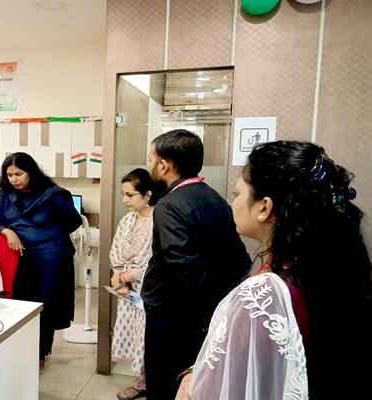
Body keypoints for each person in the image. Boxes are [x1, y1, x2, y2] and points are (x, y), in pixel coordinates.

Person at [176, 141, 372, 400]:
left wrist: (193, 378)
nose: (233, 203)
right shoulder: (332, 267)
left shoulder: (263, 294)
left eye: (237, 194)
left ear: (264, 207)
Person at [143, 129, 251, 398]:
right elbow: (238, 259)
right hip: (209, 312)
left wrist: (205, 315)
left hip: (174, 316)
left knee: (165, 381)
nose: (150, 165)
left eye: (151, 159)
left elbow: (182, 266)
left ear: (164, 165)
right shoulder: (214, 197)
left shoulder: (169, 205)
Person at [0, 152, 81, 373]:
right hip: (22, 256)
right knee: (23, 302)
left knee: (46, 304)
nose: (14, 179)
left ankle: (40, 353)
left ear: (31, 172)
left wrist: (47, 235)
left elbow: (73, 220)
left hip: (52, 256)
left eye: (19, 174)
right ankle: (24, 348)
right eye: (10, 175)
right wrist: (9, 232)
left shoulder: (54, 194)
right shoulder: (6, 193)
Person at [110, 169, 161, 400]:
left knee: (148, 336)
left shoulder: (160, 220)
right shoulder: (127, 220)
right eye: (123, 194)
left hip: (149, 290)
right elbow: (115, 253)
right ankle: (141, 380)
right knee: (133, 334)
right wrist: (118, 276)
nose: (125, 200)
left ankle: (147, 383)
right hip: (127, 292)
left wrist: (125, 277)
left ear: (148, 194)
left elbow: (156, 261)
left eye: (130, 195)